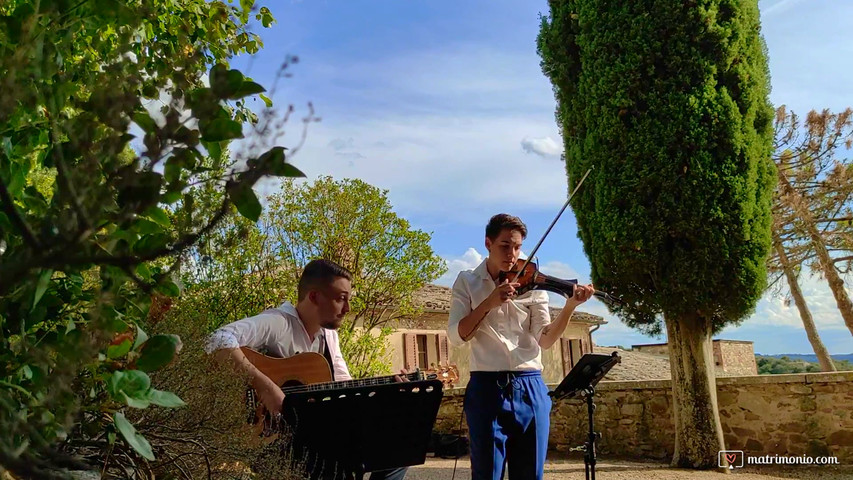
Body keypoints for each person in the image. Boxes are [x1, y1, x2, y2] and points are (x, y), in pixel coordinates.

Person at [206, 259, 407, 480]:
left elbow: (345, 388)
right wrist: (266, 387)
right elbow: (217, 339)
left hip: (309, 438)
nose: (347, 309)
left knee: (397, 450)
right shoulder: (278, 323)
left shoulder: (329, 336)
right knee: (333, 462)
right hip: (271, 440)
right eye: (341, 299)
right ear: (314, 297)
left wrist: (388, 390)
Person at [447, 214, 594, 480]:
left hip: (531, 385)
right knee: (486, 474)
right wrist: (489, 303)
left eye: (517, 247)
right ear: (488, 243)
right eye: (505, 246)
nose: (513, 254)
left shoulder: (533, 283)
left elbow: (546, 339)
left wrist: (570, 307)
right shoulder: (467, 282)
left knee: (530, 475)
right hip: (487, 387)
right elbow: (457, 335)